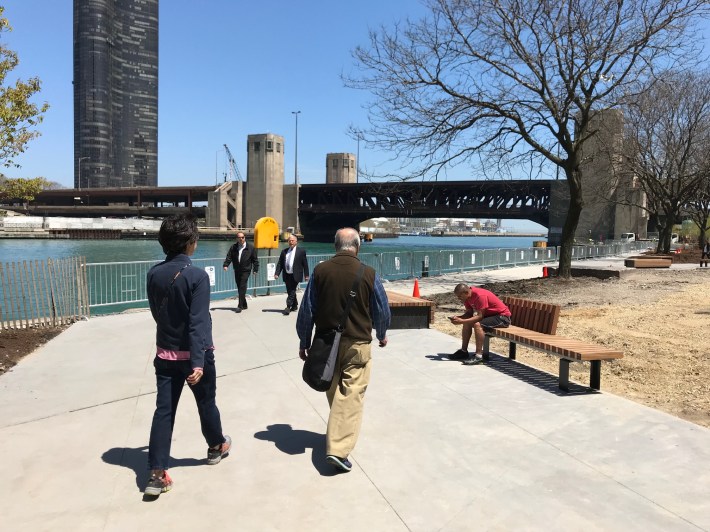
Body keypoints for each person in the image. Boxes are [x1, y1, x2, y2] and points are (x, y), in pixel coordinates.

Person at [145, 213, 231, 497]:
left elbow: (159, 314)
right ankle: (216, 446)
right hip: (197, 356)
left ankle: (157, 473)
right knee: (206, 403)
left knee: (164, 411)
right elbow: (197, 322)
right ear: (190, 243)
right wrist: (197, 361)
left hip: (166, 355)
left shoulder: (153, 273)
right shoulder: (197, 276)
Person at [296, 227, 390, 473]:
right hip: (357, 342)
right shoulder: (368, 273)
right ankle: (337, 450)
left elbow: (307, 310)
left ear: (335, 246)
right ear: (358, 247)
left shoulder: (320, 271)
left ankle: (338, 432)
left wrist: (304, 341)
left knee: (334, 389)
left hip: (326, 343)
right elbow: (382, 309)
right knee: (350, 395)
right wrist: (381, 334)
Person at [448, 283, 511, 365]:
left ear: (466, 293)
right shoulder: (467, 298)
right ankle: (463, 351)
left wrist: (461, 321)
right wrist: (459, 318)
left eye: (460, 296)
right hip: (489, 317)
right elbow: (469, 314)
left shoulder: (480, 296)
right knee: (468, 321)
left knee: (478, 325)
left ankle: (478, 356)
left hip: (502, 318)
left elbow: (480, 317)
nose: (459, 298)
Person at [222, 231, 259, 310]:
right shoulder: (233, 247)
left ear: (244, 238)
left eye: (243, 237)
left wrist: (255, 269)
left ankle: (240, 306)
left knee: (242, 286)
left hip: (246, 270)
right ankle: (244, 304)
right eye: (239, 238)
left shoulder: (250, 247)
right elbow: (229, 257)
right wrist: (226, 265)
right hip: (237, 270)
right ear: (237, 239)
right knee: (240, 287)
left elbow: (255, 260)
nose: (241, 239)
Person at [274, 234, 310, 315]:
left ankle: (288, 306)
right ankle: (295, 305)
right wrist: (277, 273)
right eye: (289, 240)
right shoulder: (284, 251)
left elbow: (305, 264)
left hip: (296, 274)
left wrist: (306, 275)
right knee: (289, 291)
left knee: (292, 290)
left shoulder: (301, 251)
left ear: (296, 242)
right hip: (287, 274)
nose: (291, 242)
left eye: (292, 240)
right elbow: (280, 263)